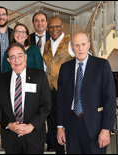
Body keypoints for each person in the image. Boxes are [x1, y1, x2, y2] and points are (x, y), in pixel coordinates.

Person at [56, 33, 116, 154]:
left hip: (95, 127)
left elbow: (110, 99)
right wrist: (59, 127)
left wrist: (106, 129)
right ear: (72, 47)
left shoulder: (102, 65)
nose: (80, 48)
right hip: (71, 123)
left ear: (88, 45)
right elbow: (60, 100)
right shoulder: (65, 68)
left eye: (83, 44)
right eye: (76, 45)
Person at [0, 43, 51, 154]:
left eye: (20, 56)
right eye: (12, 57)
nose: (17, 60)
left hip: (34, 136)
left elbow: (46, 105)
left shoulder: (40, 76)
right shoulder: (0, 80)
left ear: (25, 57)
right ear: (8, 60)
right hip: (11, 137)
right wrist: (9, 125)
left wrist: (32, 125)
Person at [43, 16, 75, 154]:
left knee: (72, 124)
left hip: (69, 90)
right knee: (57, 125)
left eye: (57, 26)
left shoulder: (71, 41)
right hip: (52, 92)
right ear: (47, 28)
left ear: (62, 27)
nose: (54, 29)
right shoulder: (46, 45)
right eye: (51, 27)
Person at [30, 11, 53, 151]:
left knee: (49, 110)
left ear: (46, 23)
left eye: (42, 20)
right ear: (33, 24)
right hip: (33, 82)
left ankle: (50, 140)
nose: (39, 23)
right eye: (37, 20)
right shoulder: (28, 39)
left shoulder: (53, 38)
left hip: (50, 81)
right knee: (34, 111)